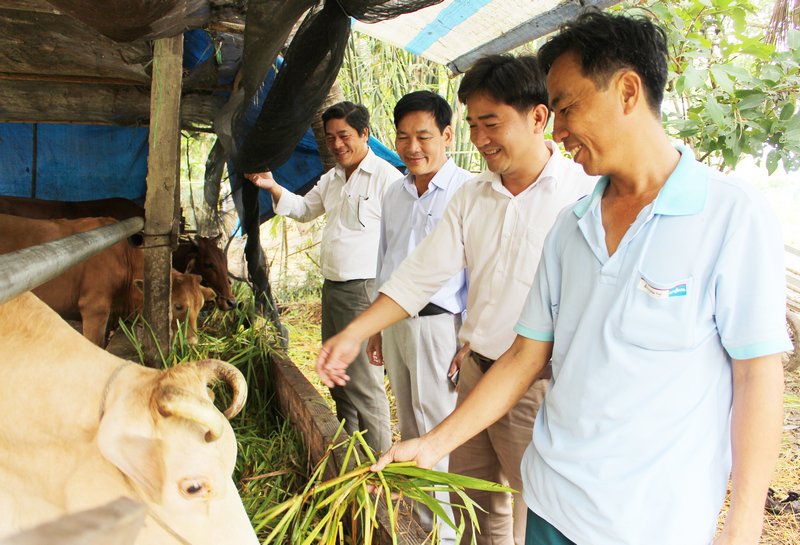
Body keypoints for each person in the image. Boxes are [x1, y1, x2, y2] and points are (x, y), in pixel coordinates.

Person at [364, 10, 790, 545]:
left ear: (628, 91)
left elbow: (756, 375)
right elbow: (525, 354)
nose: (558, 128)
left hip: (653, 525)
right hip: (551, 504)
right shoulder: (572, 227)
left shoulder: (730, 216)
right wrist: (432, 444)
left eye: (566, 107)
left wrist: (744, 524)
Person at [316, 56, 596, 544]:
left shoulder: (581, 195)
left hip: (539, 384)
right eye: (474, 125)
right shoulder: (474, 196)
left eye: (492, 124)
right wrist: (355, 333)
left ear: (537, 117)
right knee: (472, 504)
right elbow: (418, 276)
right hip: (477, 372)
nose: (481, 139)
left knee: (537, 515)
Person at [247, 101, 398, 453]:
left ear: (365, 134)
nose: (337, 144)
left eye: (344, 135)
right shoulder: (331, 178)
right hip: (333, 289)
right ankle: (350, 453)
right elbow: (302, 210)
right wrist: (272, 186)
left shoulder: (386, 178)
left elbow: (400, 237)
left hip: (364, 289)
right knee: (337, 377)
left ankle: (380, 463)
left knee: (362, 381)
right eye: (330, 138)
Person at [367, 90, 473, 543]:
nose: (412, 147)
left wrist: (470, 334)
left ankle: (447, 534)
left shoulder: (469, 190)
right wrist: (375, 324)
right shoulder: (396, 192)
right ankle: (424, 525)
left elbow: (480, 268)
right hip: (397, 324)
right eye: (404, 137)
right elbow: (385, 260)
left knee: (437, 428)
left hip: (439, 327)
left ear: (447, 135)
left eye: (424, 136)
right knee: (409, 422)